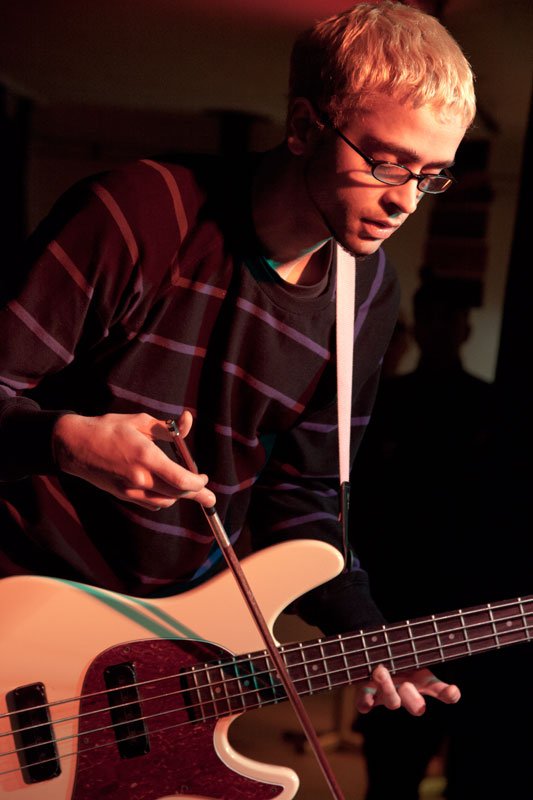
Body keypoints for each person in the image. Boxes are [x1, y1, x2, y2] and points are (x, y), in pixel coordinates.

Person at [0, 2, 476, 726]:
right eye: (385, 163)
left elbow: (304, 492)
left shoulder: (367, 293)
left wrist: (366, 633)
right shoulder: (140, 213)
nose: (405, 200)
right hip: (22, 608)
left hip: (158, 655)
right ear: (304, 126)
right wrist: (63, 441)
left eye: (431, 174)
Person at [351, 279, 532, 798]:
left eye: (449, 318)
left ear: (464, 328)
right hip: (401, 600)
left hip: (480, 601)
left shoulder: (493, 406)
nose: (439, 329)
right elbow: (363, 506)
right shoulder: (387, 402)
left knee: (479, 767)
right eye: (430, 318)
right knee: (392, 767)